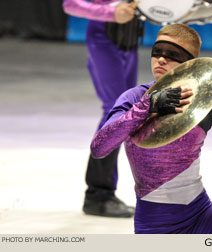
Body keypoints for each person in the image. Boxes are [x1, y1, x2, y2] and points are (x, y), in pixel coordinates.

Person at [90, 24, 212, 233]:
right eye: (157, 52)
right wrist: (148, 106)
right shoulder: (134, 98)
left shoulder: (207, 100)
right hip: (155, 224)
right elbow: (99, 147)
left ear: (190, 64)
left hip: (201, 214)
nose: (161, 59)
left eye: (172, 54)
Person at [62, 0, 143, 217]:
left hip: (129, 35)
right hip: (104, 36)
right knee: (116, 112)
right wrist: (110, 12)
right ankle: (97, 195)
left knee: (126, 109)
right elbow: (70, 4)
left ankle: (103, 194)